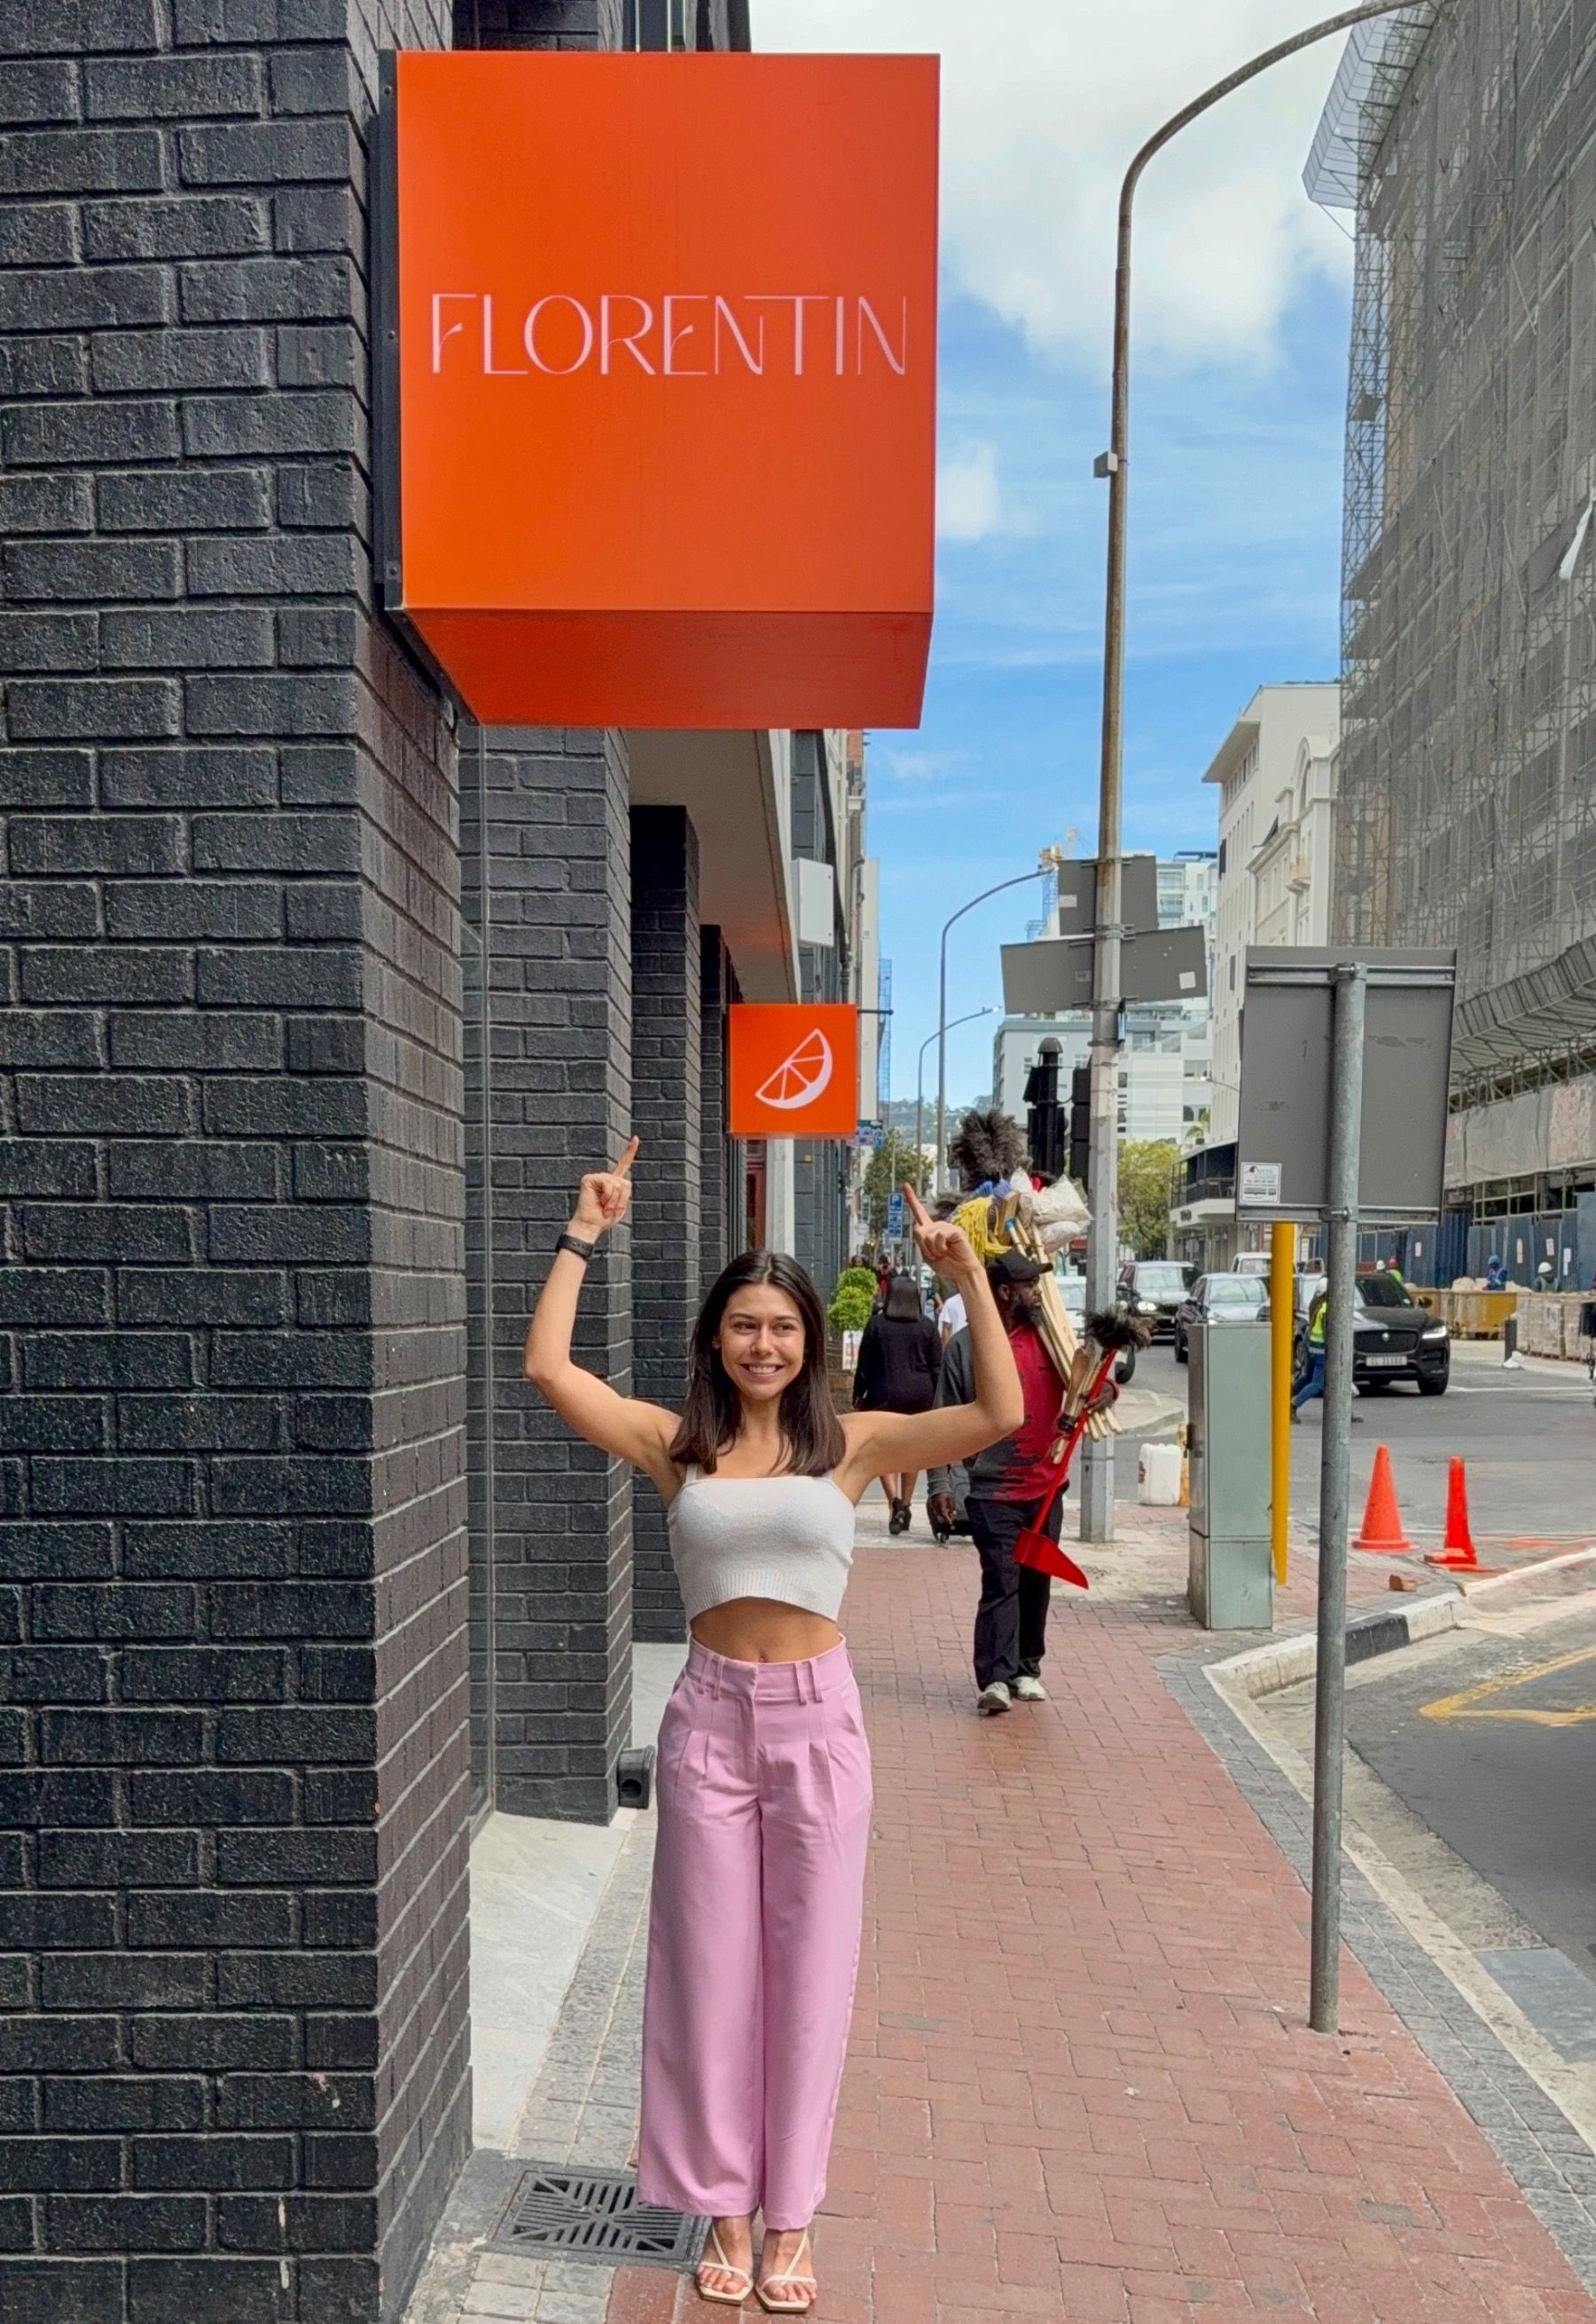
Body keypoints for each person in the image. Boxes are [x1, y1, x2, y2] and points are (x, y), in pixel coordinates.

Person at [524, 1148, 1021, 2313]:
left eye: (783, 1326)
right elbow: (547, 1366)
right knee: (706, 1981)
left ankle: (792, 2215)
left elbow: (999, 1411)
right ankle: (726, 2212)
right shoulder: (675, 1445)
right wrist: (582, 1231)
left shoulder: (848, 1447)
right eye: (744, 1325)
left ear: (812, 1341)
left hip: (819, 1726)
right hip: (707, 1723)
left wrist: (970, 1275)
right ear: (714, 1341)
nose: (764, 1344)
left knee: (811, 1977)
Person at [926, 1249, 1066, 1718]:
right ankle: (995, 1678)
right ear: (1006, 1292)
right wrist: (940, 1484)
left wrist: (1102, 1391)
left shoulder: (1052, 1340)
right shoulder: (967, 1348)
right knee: (1001, 1580)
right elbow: (942, 1418)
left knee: (1036, 1578)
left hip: (1046, 1487)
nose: (1037, 1294)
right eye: (1029, 1286)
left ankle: (1027, 1667)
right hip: (991, 1490)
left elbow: (1084, 1384)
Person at [851, 1271, 943, 1534]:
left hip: (883, 1394)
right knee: (912, 1449)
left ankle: (894, 1502)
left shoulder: (877, 1325)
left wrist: (859, 1393)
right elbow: (937, 1367)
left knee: (883, 1450)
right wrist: (939, 1400)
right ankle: (906, 1501)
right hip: (920, 1396)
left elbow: (864, 1364)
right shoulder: (927, 1327)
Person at [1292, 1287, 1328, 1418]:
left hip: (1313, 1348)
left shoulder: (1318, 1303)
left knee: (1307, 1378)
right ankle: (1293, 1405)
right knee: (1317, 1384)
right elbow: (1328, 1333)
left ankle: (1283, 1399)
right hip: (1321, 1351)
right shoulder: (1327, 1308)